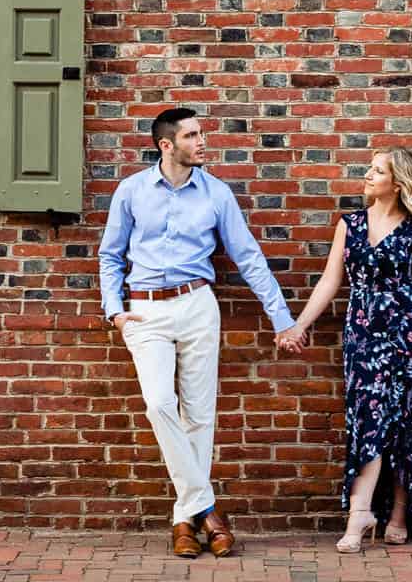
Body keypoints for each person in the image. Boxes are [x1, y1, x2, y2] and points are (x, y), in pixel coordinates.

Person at [99, 106, 298, 558]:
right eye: (191, 136)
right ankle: (208, 510)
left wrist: (281, 317)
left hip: (197, 305)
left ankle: (183, 522)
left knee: (199, 415)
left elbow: (248, 257)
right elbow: (110, 256)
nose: (202, 142)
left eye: (201, 134)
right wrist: (114, 310)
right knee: (158, 404)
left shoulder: (216, 194)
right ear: (165, 145)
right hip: (145, 311)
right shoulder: (131, 191)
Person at [279, 146, 412, 549]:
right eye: (369, 169)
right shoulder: (349, 224)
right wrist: (300, 324)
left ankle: (399, 512)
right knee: (368, 420)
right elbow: (330, 281)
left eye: (377, 171)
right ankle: (360, 515)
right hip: (363, 336)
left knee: (407, 423)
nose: (367, 176)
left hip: (407, 335)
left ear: (398, 182)